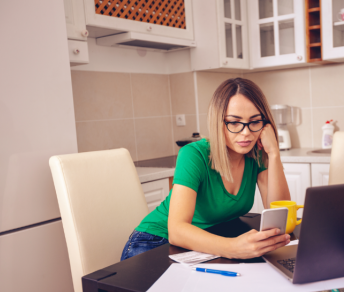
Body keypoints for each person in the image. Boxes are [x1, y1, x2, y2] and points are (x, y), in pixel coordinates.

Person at [121, 78, 291, 261]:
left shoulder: (255, 153)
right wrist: (233, 248)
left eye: (255, 121)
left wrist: (274, 153)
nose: (246, 132)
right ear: (219, 122)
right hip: (154, 242)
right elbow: (176, 231)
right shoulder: (193, 155)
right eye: (234, 122)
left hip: (207, 241)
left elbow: (279, 214)